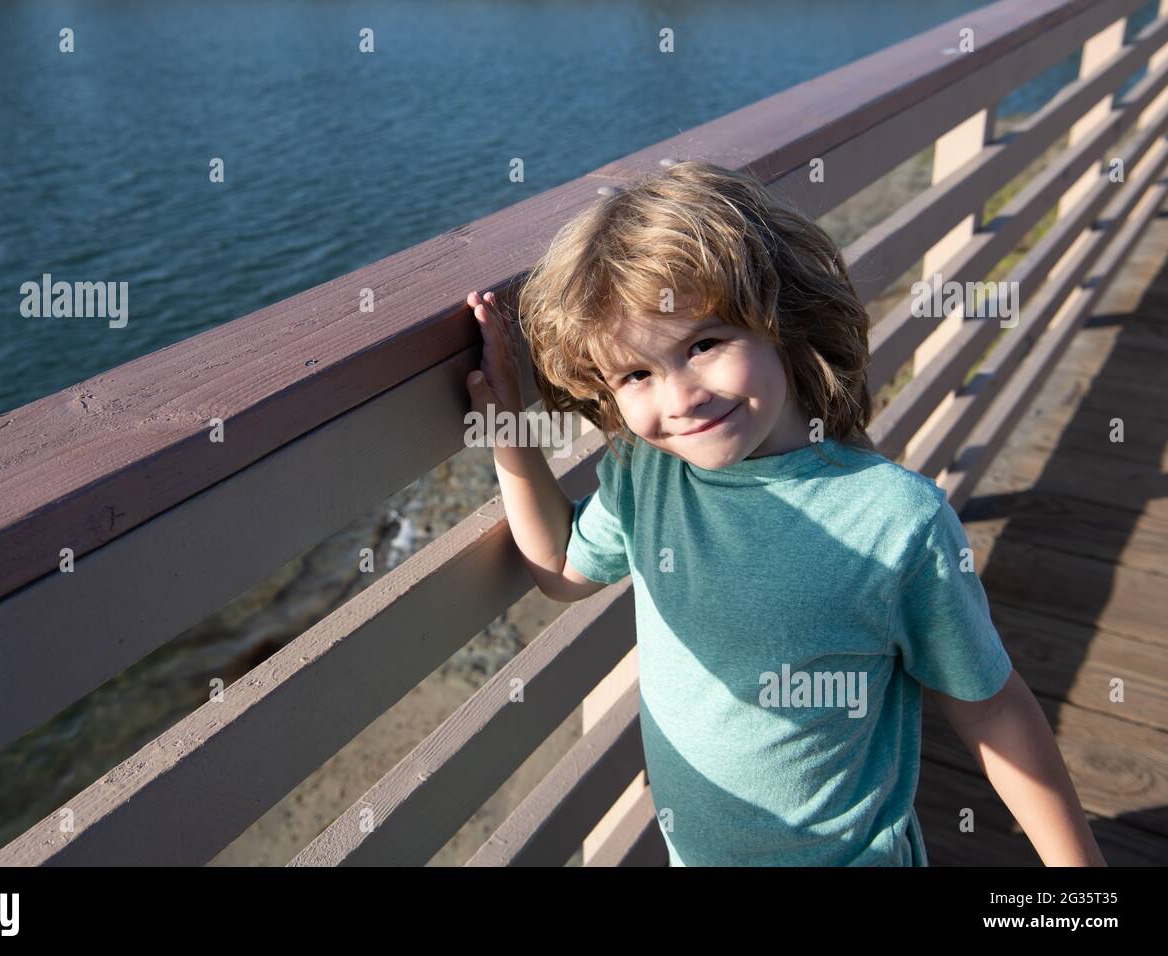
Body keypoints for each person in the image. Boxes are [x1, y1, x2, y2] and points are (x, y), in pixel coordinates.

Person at [462, 160, 1106, 867]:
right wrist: (509, 435)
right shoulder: (647, 476)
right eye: (637, 374)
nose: (680, 399)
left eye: (703, 344)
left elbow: (990, 705)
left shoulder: (894, 520)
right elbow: (559, 566)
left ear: (783, 319)